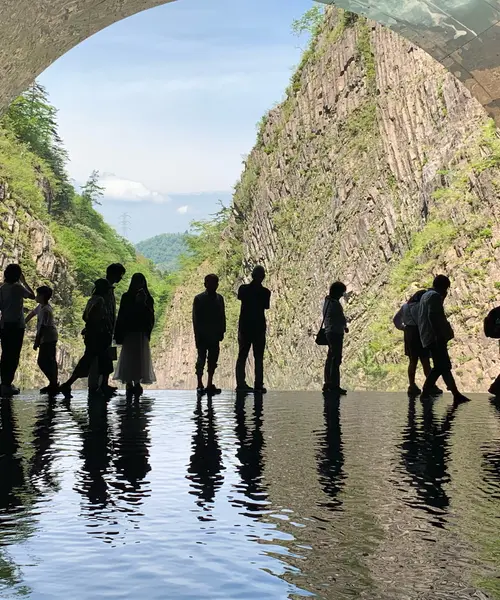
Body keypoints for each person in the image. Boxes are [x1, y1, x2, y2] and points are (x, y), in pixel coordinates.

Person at [418, 275, 470, 403]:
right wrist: (438, 335)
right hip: (435, 337)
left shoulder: (426, 296)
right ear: (443, 287)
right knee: (441, 366)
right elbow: (433, 316)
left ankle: (455, 393)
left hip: (427, 336)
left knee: (442, 366)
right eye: (446, 288)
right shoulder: (434, 296)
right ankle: (426, 391)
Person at [60, 278, 113, 398]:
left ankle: (69, 384)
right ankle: (103, 385)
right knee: (103, 360)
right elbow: (97, 319)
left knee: (89, 360)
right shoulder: (100, 301)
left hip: (92, 335)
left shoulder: (92, 300)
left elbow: (85, 316)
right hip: (98, 336)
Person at [113, 273, 156, 397]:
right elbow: (123, 315)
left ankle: (136, 382)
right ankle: (129, 382)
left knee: (138, 358)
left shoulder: (147, 298)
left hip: (140, 332)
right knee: (130, 358)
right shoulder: (127, 297)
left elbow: (150, 316)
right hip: (131, 332)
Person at [394, 289, 441, 397]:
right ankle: (431, 386)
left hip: (409, 334)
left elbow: (396, 320)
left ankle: (412, 385)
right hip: (421, 333)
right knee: (425, 361)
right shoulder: (421, 306)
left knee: (412, 361)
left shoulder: (405, 307)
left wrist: (403, 328)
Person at [88, 263, 126, 396]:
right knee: (100, 357)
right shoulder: (104, 290)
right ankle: (98, 384)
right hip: (102, 330)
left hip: (108, 329)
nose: (121, 278)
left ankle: (103, 384)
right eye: (120, 275)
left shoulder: (107, 289)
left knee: (105, 357)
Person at [0, 264, 35, 396]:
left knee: (5, 354)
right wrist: (24, 281)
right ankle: (7, 385)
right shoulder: (18, 287)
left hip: (4, 325)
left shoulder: (2, 288)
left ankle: (3, 383)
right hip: (17, 325)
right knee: (14, 355)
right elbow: (32, 296)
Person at [235, 265, 271, 394]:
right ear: (263, 277)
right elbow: (266, 306)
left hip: (245, 326)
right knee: (259, 357)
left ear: (252, 275)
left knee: (242, 355)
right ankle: (258, 384)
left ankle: (240, 383)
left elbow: (240, 298)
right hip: (259, 327)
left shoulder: (243, 289)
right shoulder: (266, 292)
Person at [192, 274, 226, 396]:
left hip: (214, 335)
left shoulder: (219, 299)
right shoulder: (199, 299)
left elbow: (222, 316)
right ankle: (200, 383)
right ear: (205, 284)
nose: (212, 285)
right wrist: (198, 336)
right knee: (201, 359)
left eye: (214, 283)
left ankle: (208, 383)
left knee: (212, 360)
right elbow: (196, 320)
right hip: (204, 335)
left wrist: (222, 331)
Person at [25, 285, 59, 395]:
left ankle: (53, 383)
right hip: (47, 337)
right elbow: (32, 313)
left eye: (38, 294)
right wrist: (23, 322)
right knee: (48, 360)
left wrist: (37, 341)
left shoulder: (46, 310)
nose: (36, 296)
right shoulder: (41, 307)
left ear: (43, 296)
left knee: (44, 361)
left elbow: (43, 327)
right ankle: (53, 383)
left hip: (48, 337)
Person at [322, 282, 349, 395]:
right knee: (335, 358)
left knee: (330, 358)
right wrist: (345, 326)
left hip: (329, 331)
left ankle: (328, 383)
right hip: (335, 332)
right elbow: (339, 318)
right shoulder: (334, 304)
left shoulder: (327, 302)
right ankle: (334, 385)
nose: (342, 295)